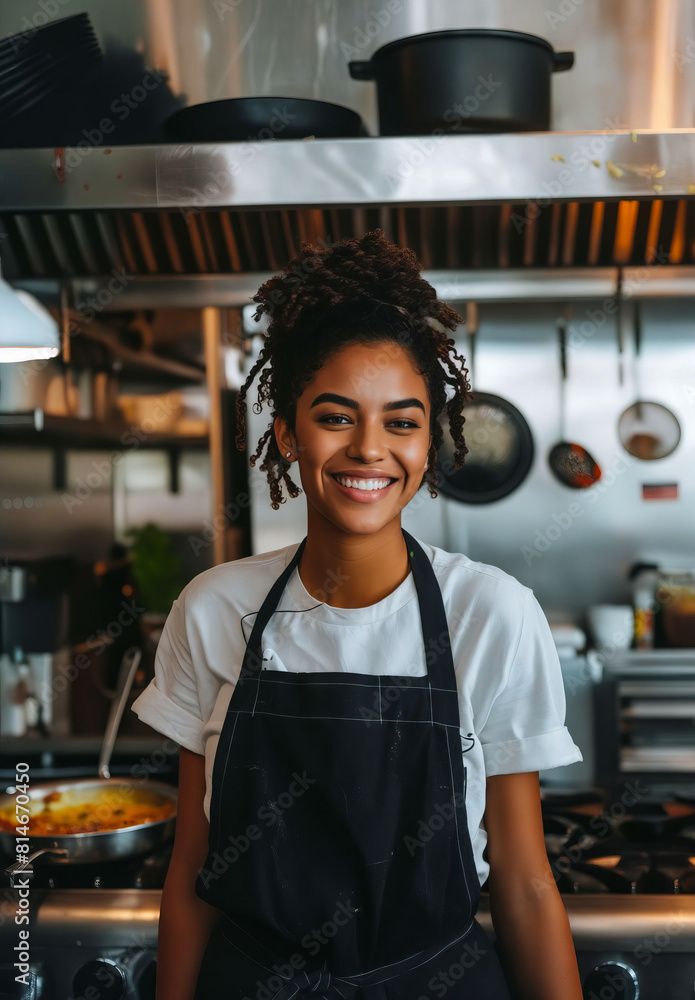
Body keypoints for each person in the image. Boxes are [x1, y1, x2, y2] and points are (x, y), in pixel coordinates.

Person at [132, 229, 585, 1000]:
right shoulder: (213, 609)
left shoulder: (492, 613)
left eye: (401, 422)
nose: (369, 449)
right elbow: (191, 865)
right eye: (336, 417)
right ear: (286, 434)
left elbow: (523, 879)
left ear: (429, 441)